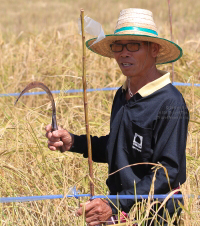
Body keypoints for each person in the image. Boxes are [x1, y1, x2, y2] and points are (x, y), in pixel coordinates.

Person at [46, 8, 189, 225]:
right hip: (121, 211)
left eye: (133, 45)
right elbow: (118, 148)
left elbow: (168, 172)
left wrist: (113, 204)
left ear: (154, 50)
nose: (124, 53)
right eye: (118, 46)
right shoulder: (123, 94)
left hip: (154, 215)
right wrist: (74, 142)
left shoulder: (170, 103)